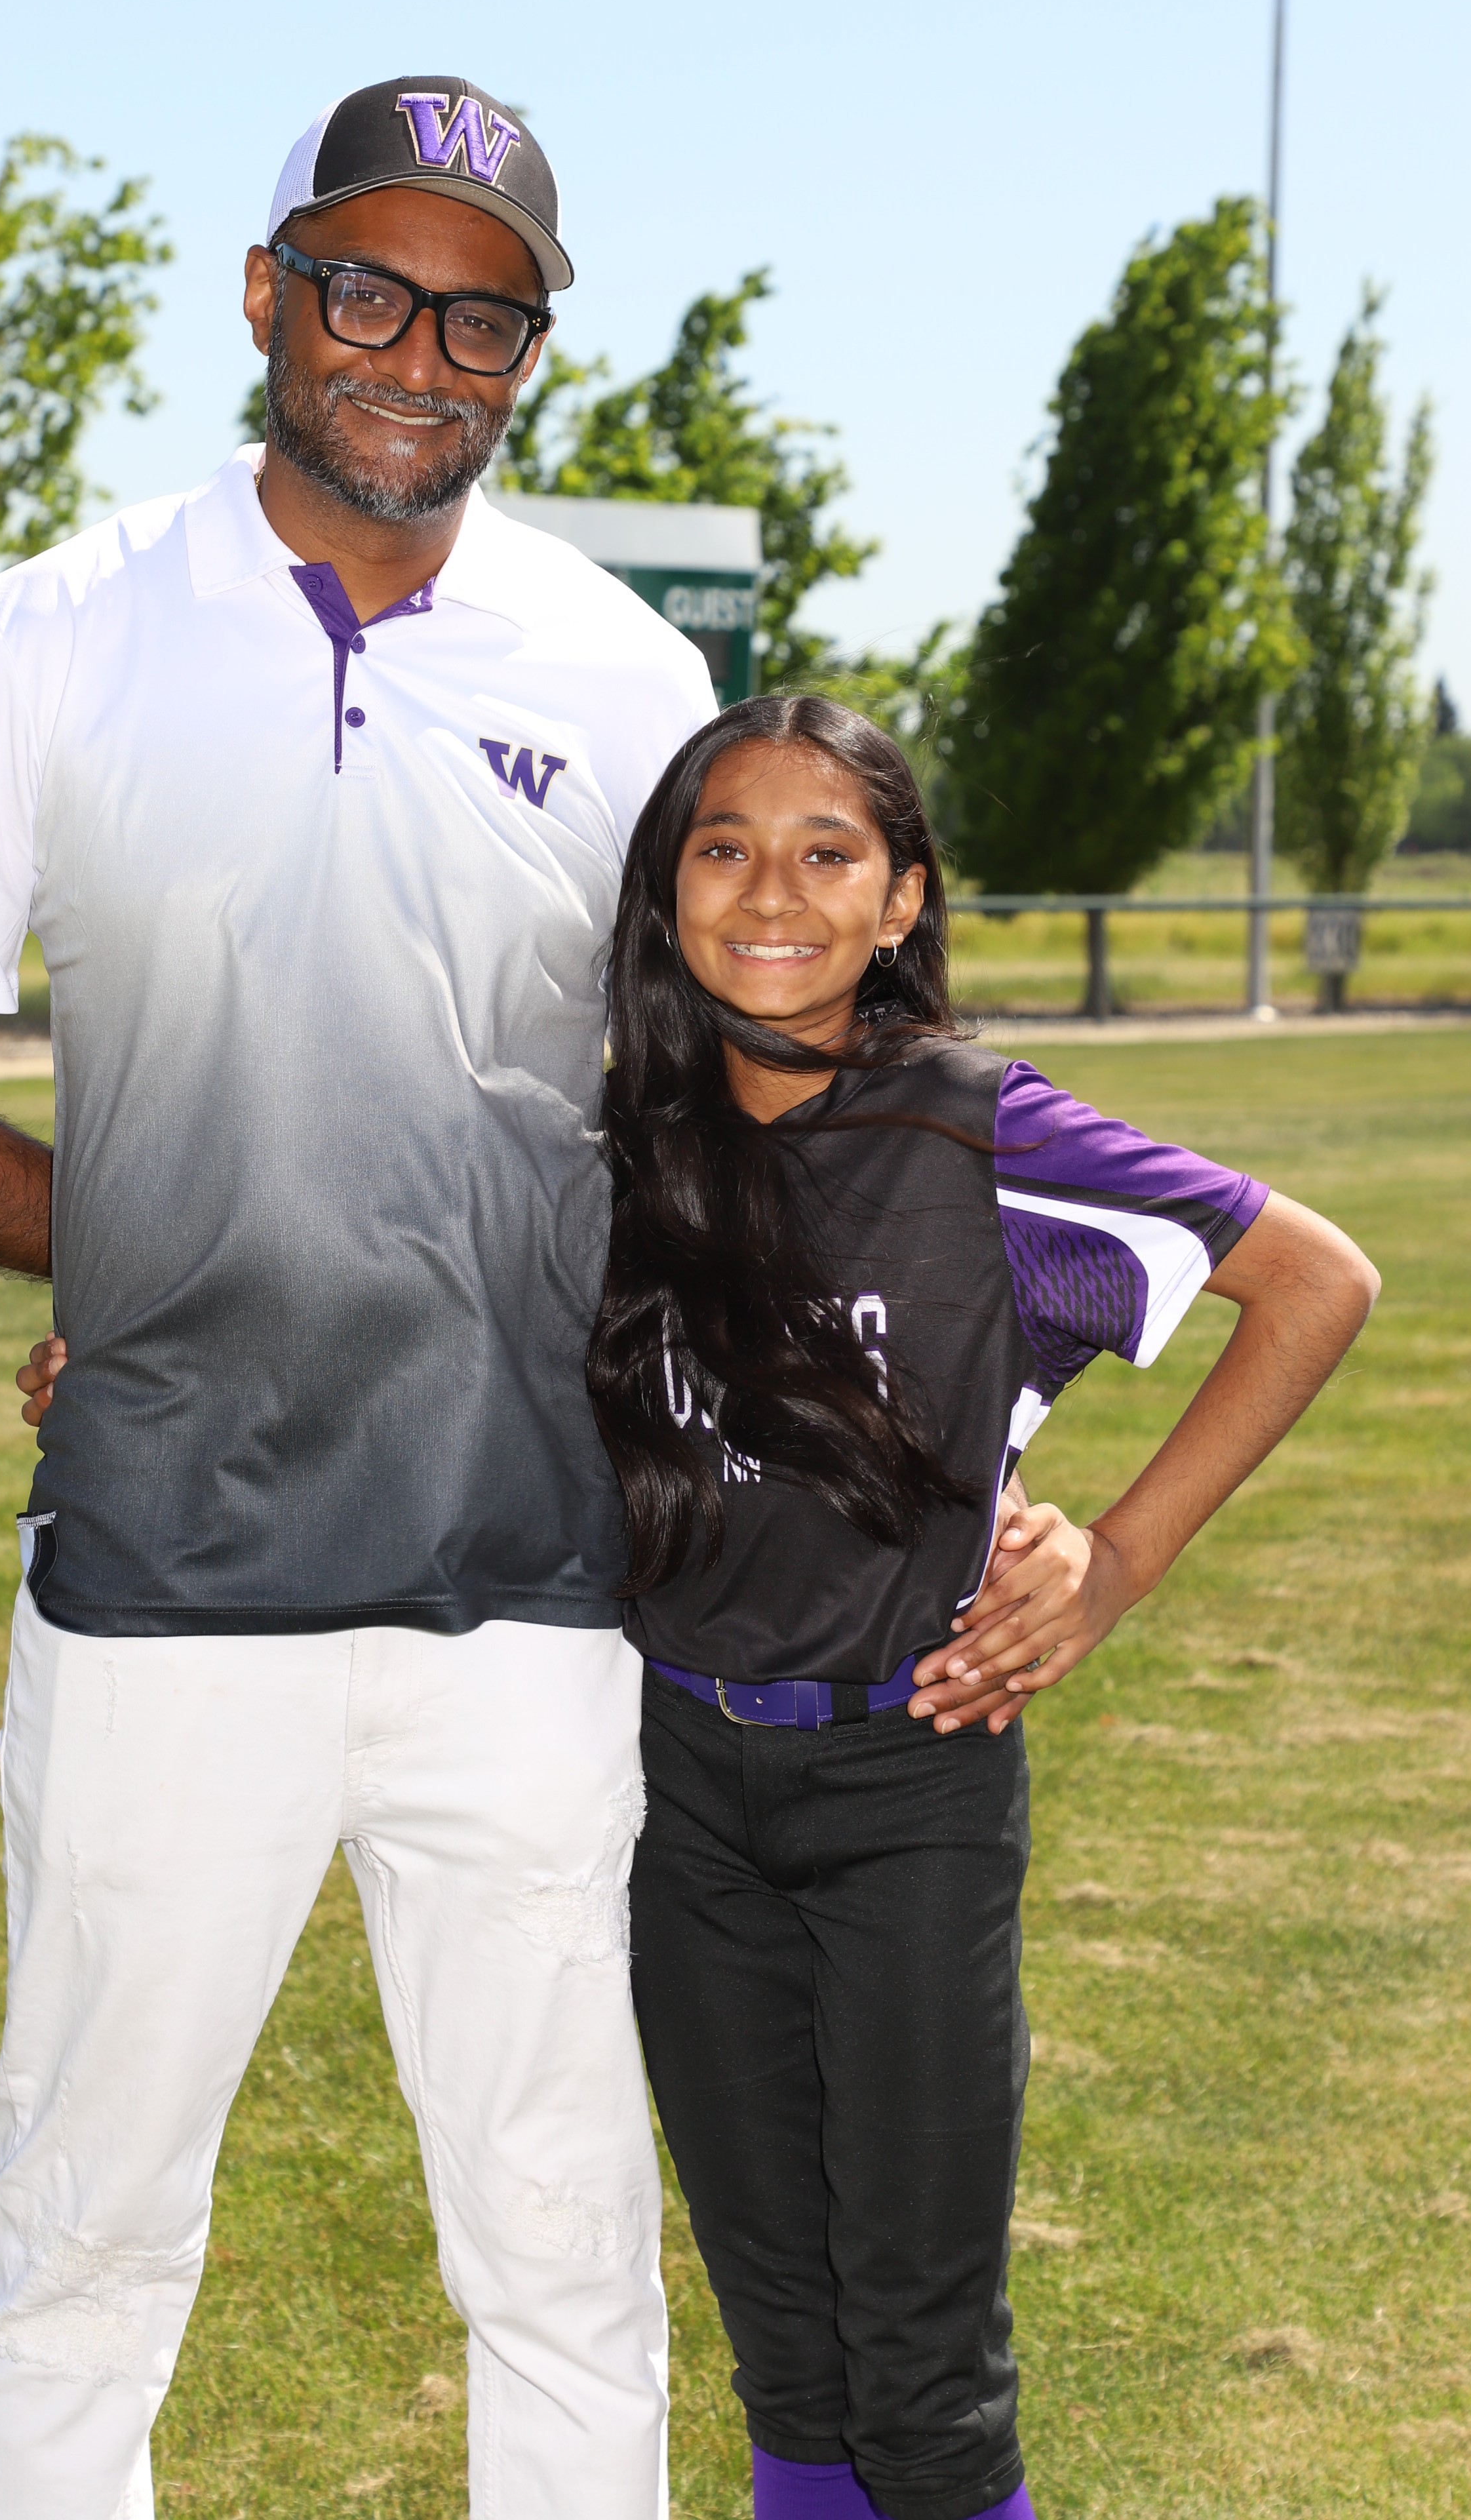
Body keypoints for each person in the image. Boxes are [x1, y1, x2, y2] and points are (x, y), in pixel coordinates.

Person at [0, 75, 716, 2520]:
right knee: (83, 2235)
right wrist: (152, 1263)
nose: (417, 353)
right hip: (163, 1597)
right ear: (266, 295)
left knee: (566, 2250)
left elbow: (727, 1138)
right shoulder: (63, 626)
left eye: (482, 317)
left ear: (530, 357)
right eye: (367, 290)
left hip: (527, 1601)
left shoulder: (628, 679)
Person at [584, 694, 1380, 2520]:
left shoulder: (977, 1129)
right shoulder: (621, 1143)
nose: (769, 893)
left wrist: (1117, 1561)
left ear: (901, 900)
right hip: (678, 1792)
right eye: (724, 848)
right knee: (787, 2355)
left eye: (828, 854)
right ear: (667, 890)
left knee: (926, 2379)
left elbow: (1317, 1283)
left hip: (911, 1786)